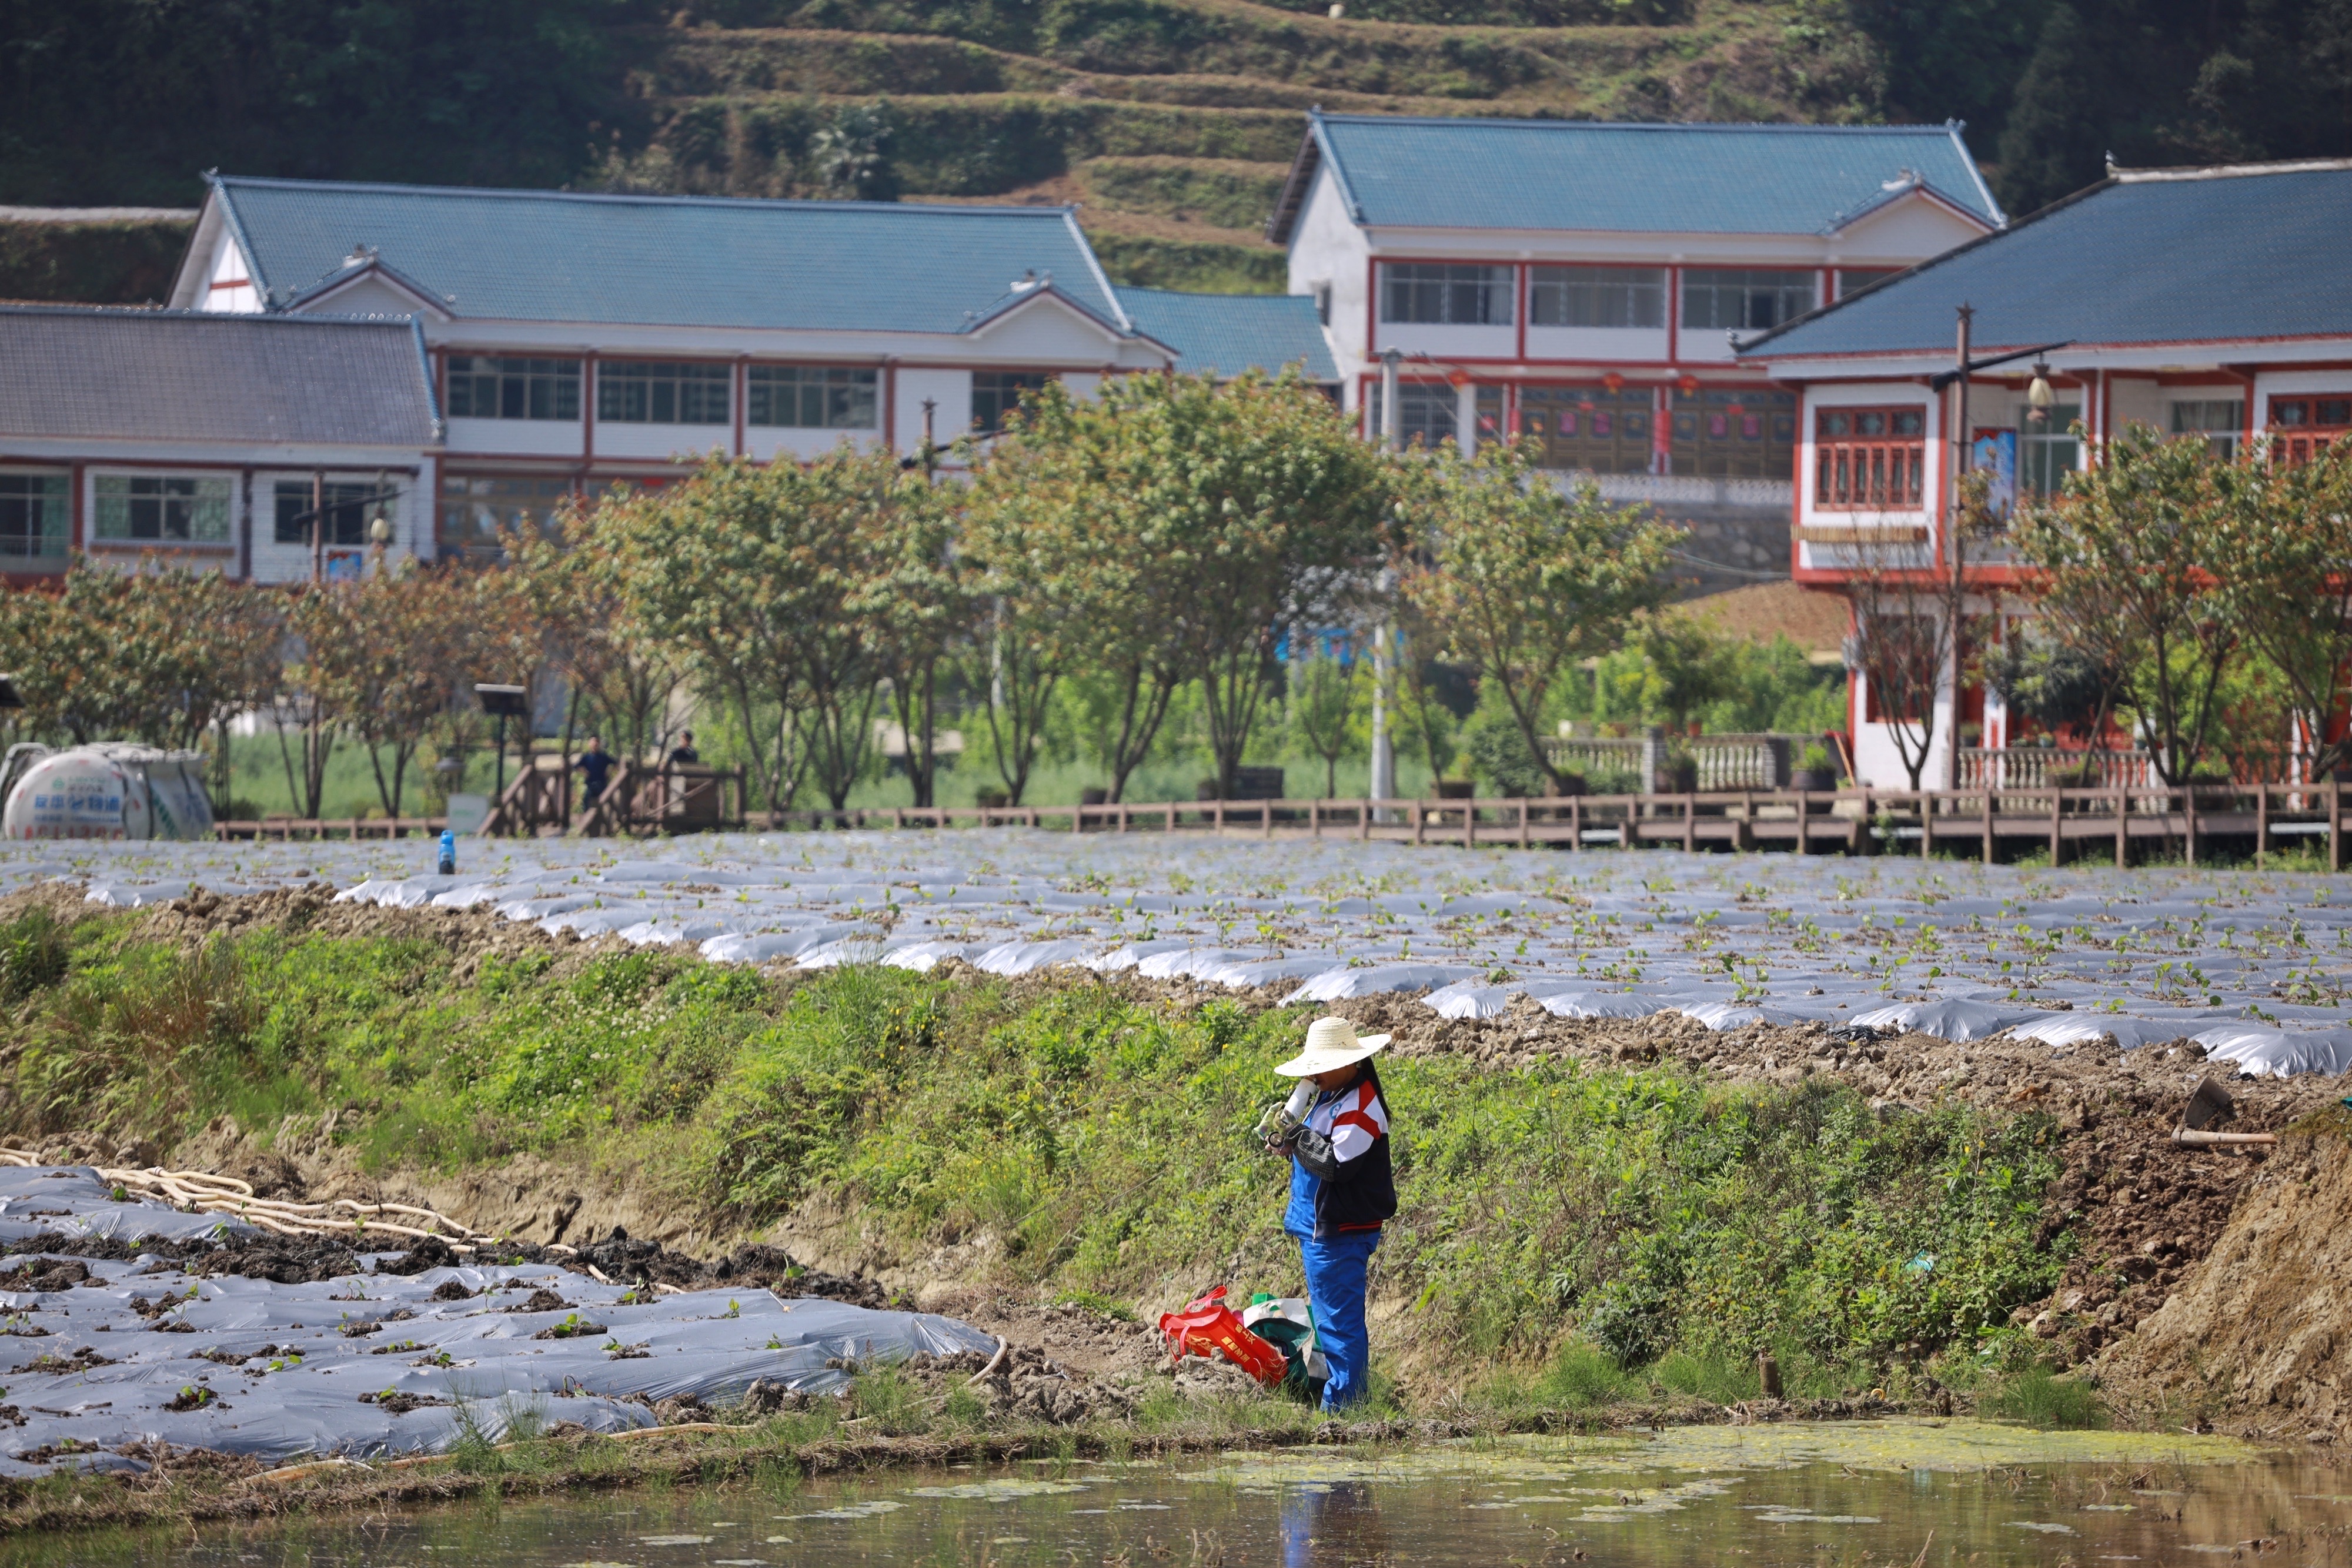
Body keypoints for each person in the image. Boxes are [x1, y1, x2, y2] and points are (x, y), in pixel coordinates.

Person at [1267, 1015, 1395, 1412]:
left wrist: (1298, 1137)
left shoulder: (1361, 1103)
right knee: (1330, 1321)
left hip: (1340, 1230)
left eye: (1322, 1065)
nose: (1315, 1073)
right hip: (1321, 1229)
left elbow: (1336, 1162)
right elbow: (1317, 1147)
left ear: (1349, 1061)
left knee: (1339, 1327)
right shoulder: (1332, 1093)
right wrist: (1293, 1141)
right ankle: (1346, 1407)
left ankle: (1345, 1411)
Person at [572, 735, 615, 805]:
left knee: (607, 802)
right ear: (589, 744)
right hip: (590, 784)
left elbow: (615, 764)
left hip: (602, 784)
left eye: (597, 742)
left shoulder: (603, 757)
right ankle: (586, 815)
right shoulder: (587, 757)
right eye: (593, 742)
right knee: (586, 801)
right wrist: (584, 772)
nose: (595, 744)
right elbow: (576, 766)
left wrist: (609, 772)